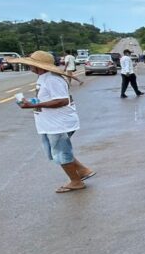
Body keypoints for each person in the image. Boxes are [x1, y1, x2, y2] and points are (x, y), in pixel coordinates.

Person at [9, 50, 95, 193]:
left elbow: (62, 100)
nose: (29, 66)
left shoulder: (52, 79)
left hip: (58, 123)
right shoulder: (43, 78)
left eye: (31, 64)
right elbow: (48, 98)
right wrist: (32, 102)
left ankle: (76, 182)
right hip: (51, 123)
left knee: (61, 153)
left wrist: (36, 104)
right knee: (59, 151)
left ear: (38, 66)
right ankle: (82, 170)